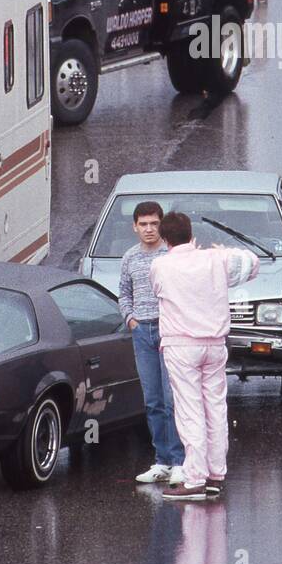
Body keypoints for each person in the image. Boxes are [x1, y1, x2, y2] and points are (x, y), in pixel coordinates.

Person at [151, 212, 260, 502]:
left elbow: (157, 291)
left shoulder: (160, 265)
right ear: (191, 235)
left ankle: (195, 478)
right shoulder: (215, 260)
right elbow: (252, 264)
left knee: (190, 410)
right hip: (214, 343)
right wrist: (223, 252)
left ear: (165, 239)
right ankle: (215, 474)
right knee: (215, 407)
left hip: (181, 345)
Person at [118, 202, 185, 485]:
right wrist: (130, 319)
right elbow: (123, 292)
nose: (148, 229)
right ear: (135, 227)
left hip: (168, 331)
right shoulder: (130, 257)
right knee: (153, 400)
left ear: (162, 225)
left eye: (154, 224)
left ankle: (180, 461)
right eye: (143, 224)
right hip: (141, 332)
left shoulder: (170, 254)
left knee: (173, 399)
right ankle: (162, 461)